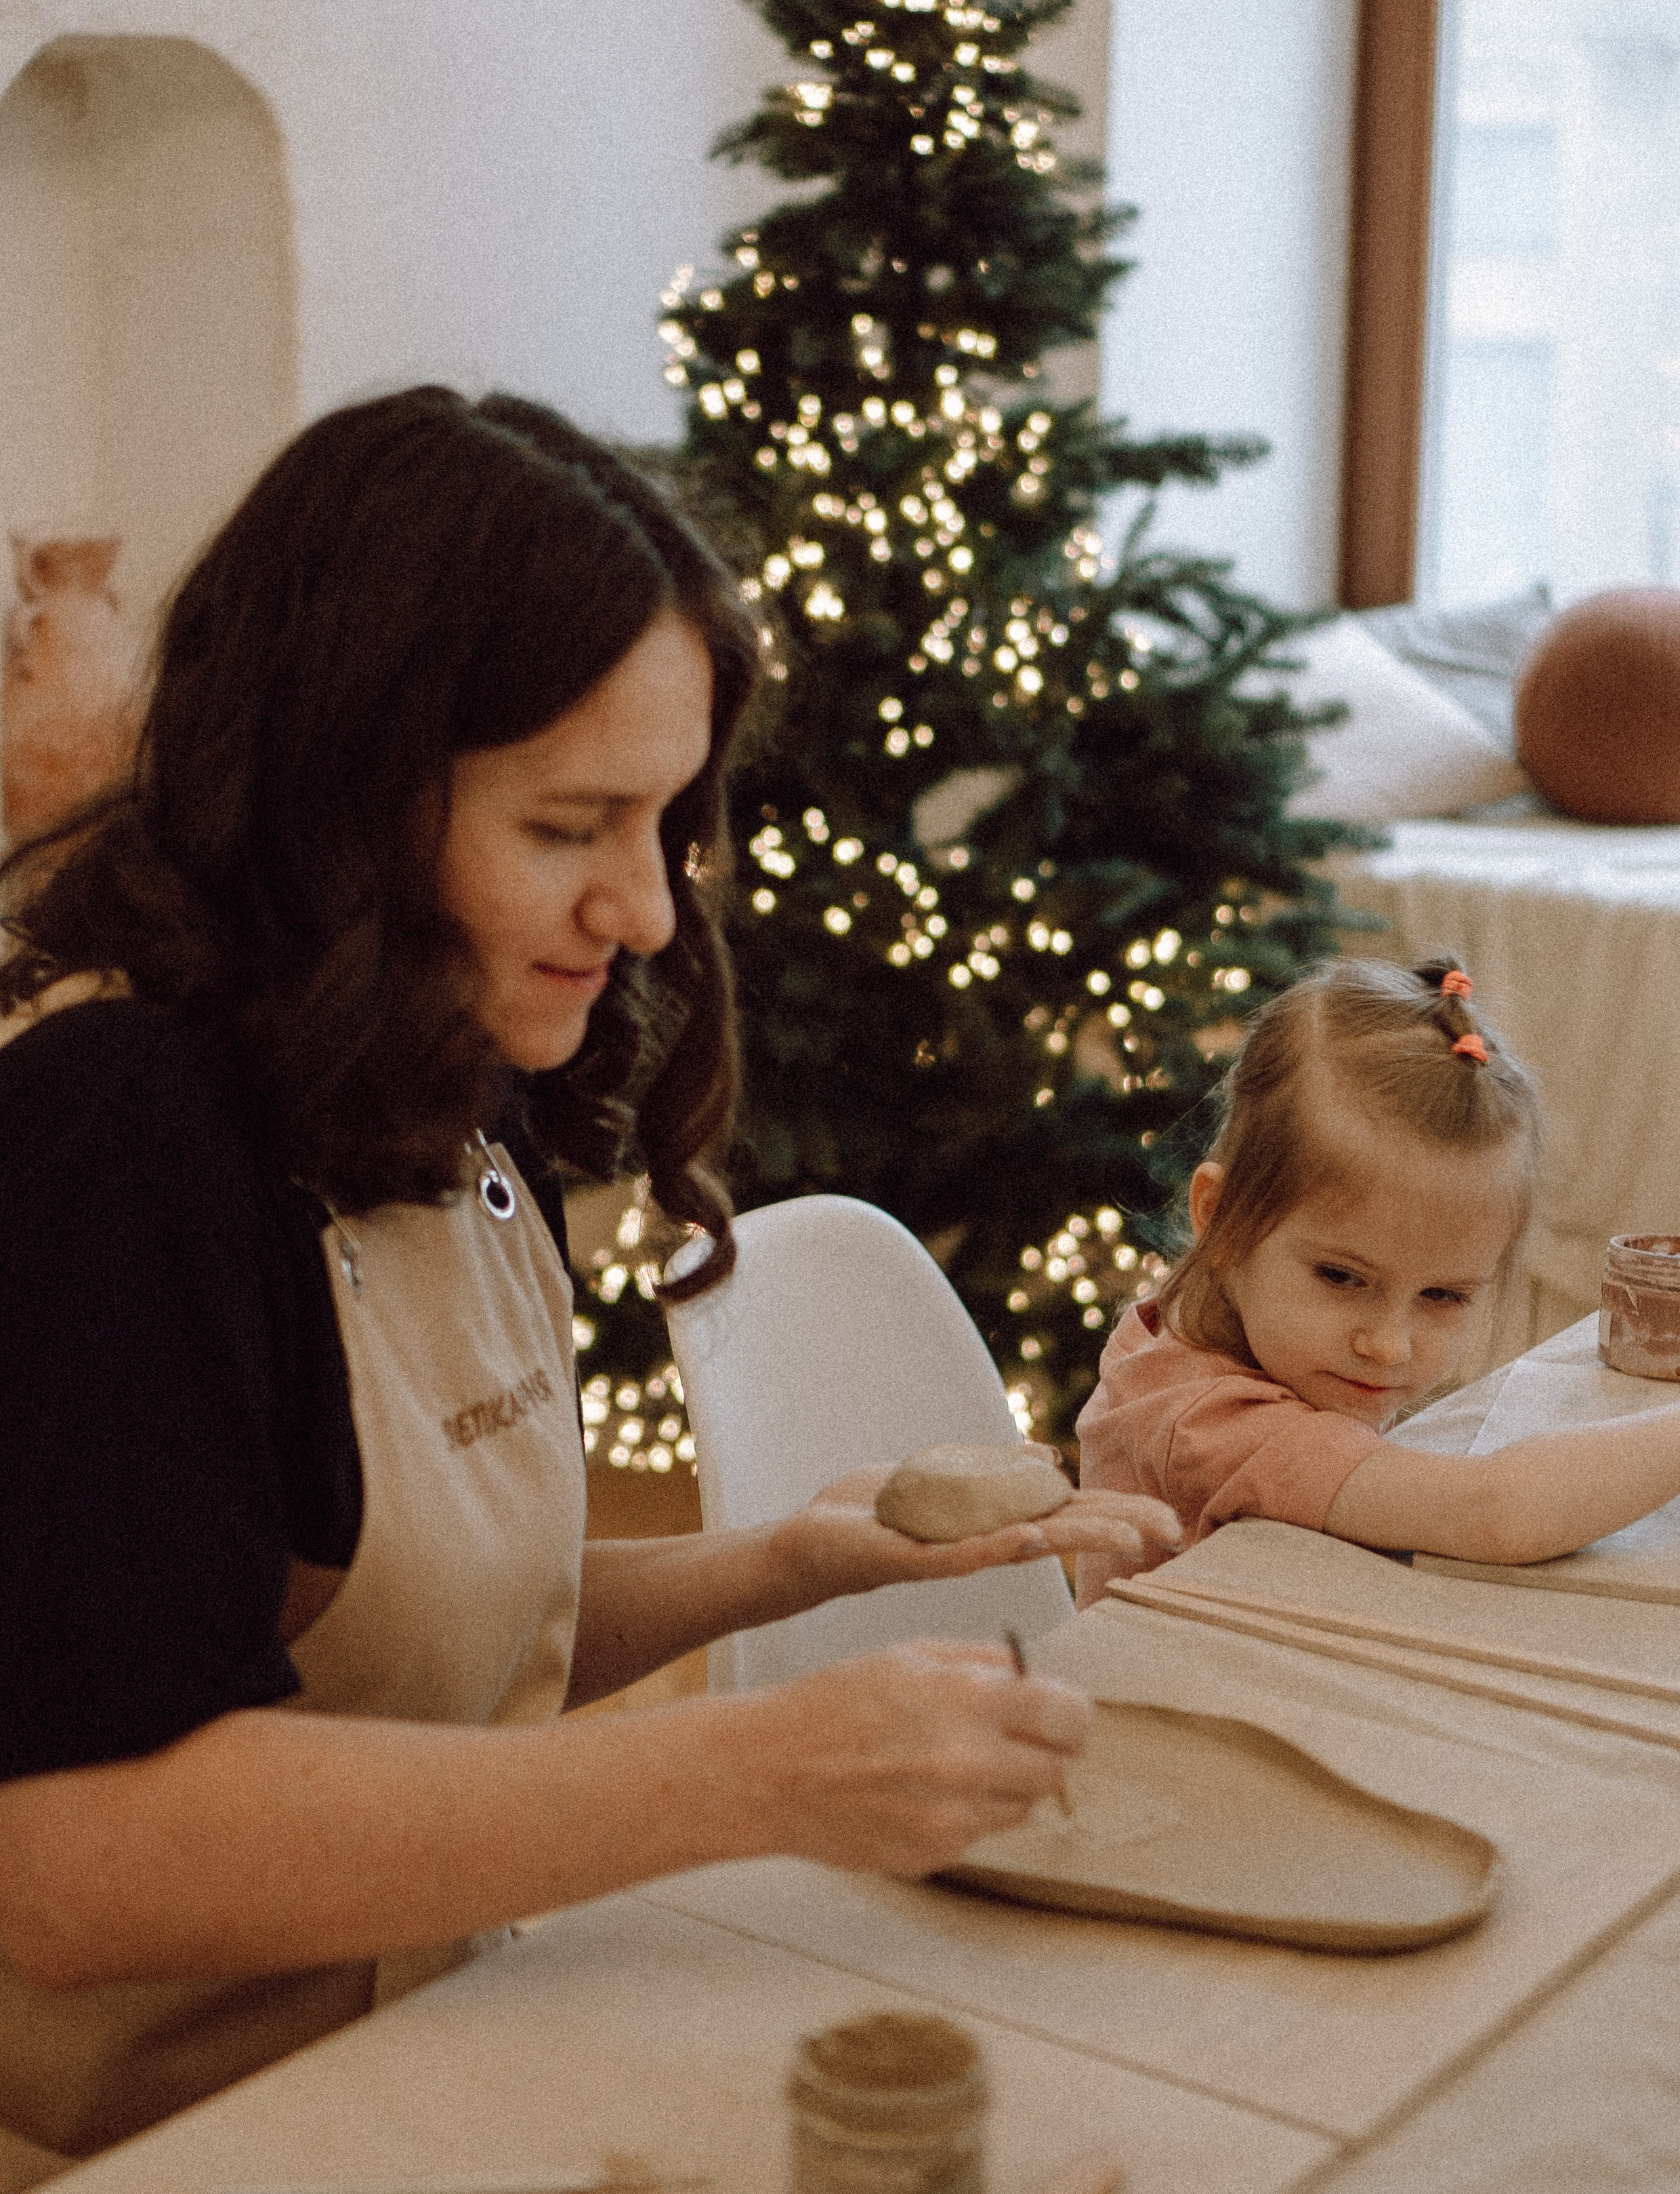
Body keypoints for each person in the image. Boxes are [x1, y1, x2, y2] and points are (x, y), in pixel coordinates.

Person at [0, 387, 1177, 2185]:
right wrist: (749, 1778)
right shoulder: (117, 1133)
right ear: (341, 798)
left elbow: (401, 1646)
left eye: (669, 821)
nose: (643, 907)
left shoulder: (434, 1070)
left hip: (433, 2058)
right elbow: (74, 1853)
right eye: (573, 825)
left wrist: (785, 1561)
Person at [1078, 956, 1680, 1598]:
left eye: (1442, 1295)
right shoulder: (1200, 1424)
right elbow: (1502, 1513)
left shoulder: (1227, 1337)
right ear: (1220, 1218)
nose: (1388, 1345)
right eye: (1341, 1277)